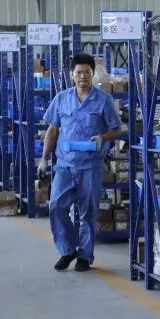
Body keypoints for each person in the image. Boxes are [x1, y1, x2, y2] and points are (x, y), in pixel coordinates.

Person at [37, 53, 122, 272]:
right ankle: (68, 250)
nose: (82, 76)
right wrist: (44, 159)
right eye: (78, 72)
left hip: (90, 165)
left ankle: (84, 255)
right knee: (56, 206)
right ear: (72, 75)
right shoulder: (61, 99)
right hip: (64, 164)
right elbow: (52, 130)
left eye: (87, 72)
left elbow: (116, 129)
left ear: (93, 74)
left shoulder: (104, 100)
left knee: (88, 212)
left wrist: (102, 137)